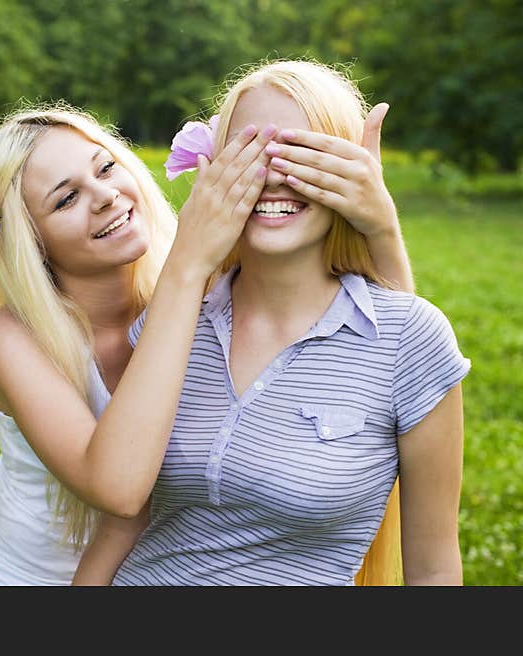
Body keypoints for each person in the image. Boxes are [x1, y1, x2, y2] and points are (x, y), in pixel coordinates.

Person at [0, 94, 413, 585]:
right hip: (2, 579)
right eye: (66, 198)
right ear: (31, 241)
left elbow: (381, 348)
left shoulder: (196, 290)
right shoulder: (12, 338)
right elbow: (118, 489)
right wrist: (188, 263)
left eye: (105, 168)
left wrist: (380, 226)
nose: (104, 196)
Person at [72, 60, 470, 587]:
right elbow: (124, 518)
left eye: (305, 155)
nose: (276, 174)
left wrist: (379, 224)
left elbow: (434, 569)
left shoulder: (411, 339)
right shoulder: (172, 322)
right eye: (250, 153)